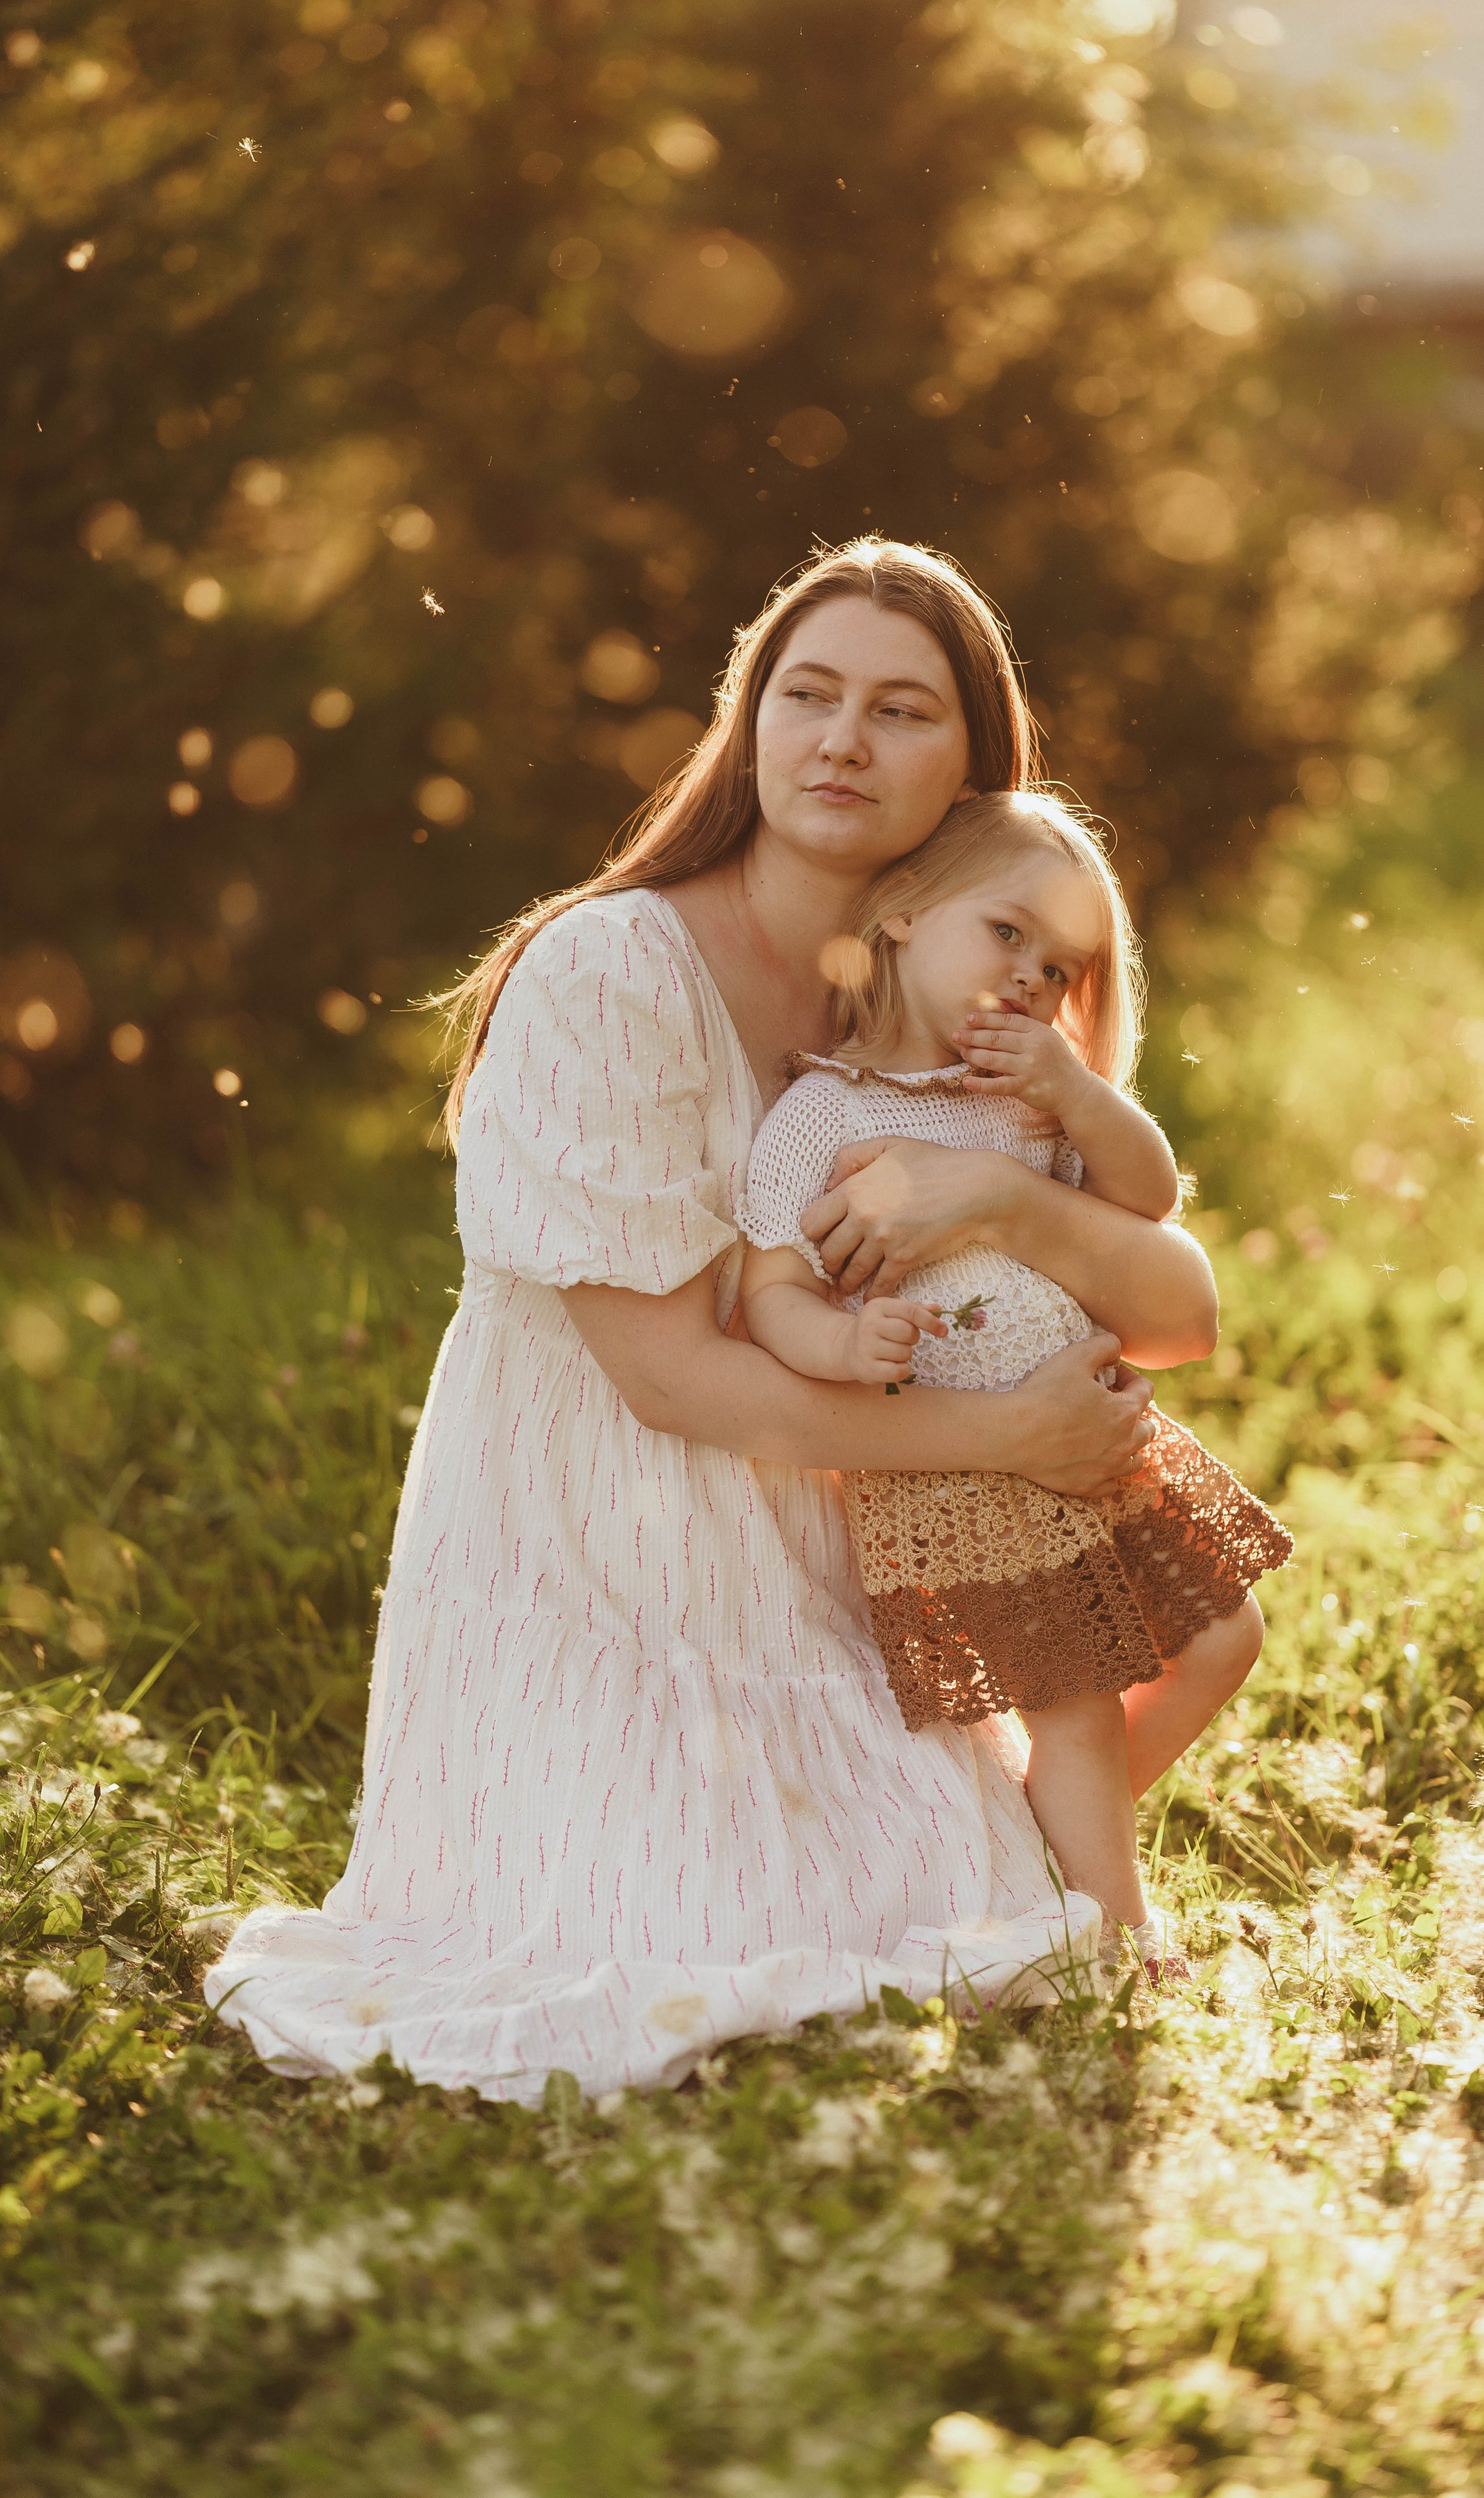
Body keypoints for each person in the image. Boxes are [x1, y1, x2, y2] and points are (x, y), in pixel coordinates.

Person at [205, 538, 1228, 2103]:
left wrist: (1005, 1206)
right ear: (745, 724)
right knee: (732, 1919)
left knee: (967, 1880)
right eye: (803, 694)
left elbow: (1174, 1318)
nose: (839, 739)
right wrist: (1009, 1430)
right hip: (604, 1532)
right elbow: (669, 1379)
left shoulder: (956, 1014)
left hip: (843, 1516)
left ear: (969, 778)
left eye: (899, 711)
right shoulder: (609, 972)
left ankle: (1017, 1833)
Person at [738, 788, 1290, 1970]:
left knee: (1224, 1639)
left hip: (1095, 1438)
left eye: (1061, 968)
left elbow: (1147, 1201)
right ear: (897, 911)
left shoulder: (1023, 1106)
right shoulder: (820, 1111)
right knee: (1075, 1701)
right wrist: (838, 1348)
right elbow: (771, 1289)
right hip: (967, 1465)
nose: (1034, 978)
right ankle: (1113, 1932)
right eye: (1008, 935)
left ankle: (1031, 1855)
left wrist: (1077, 1089)